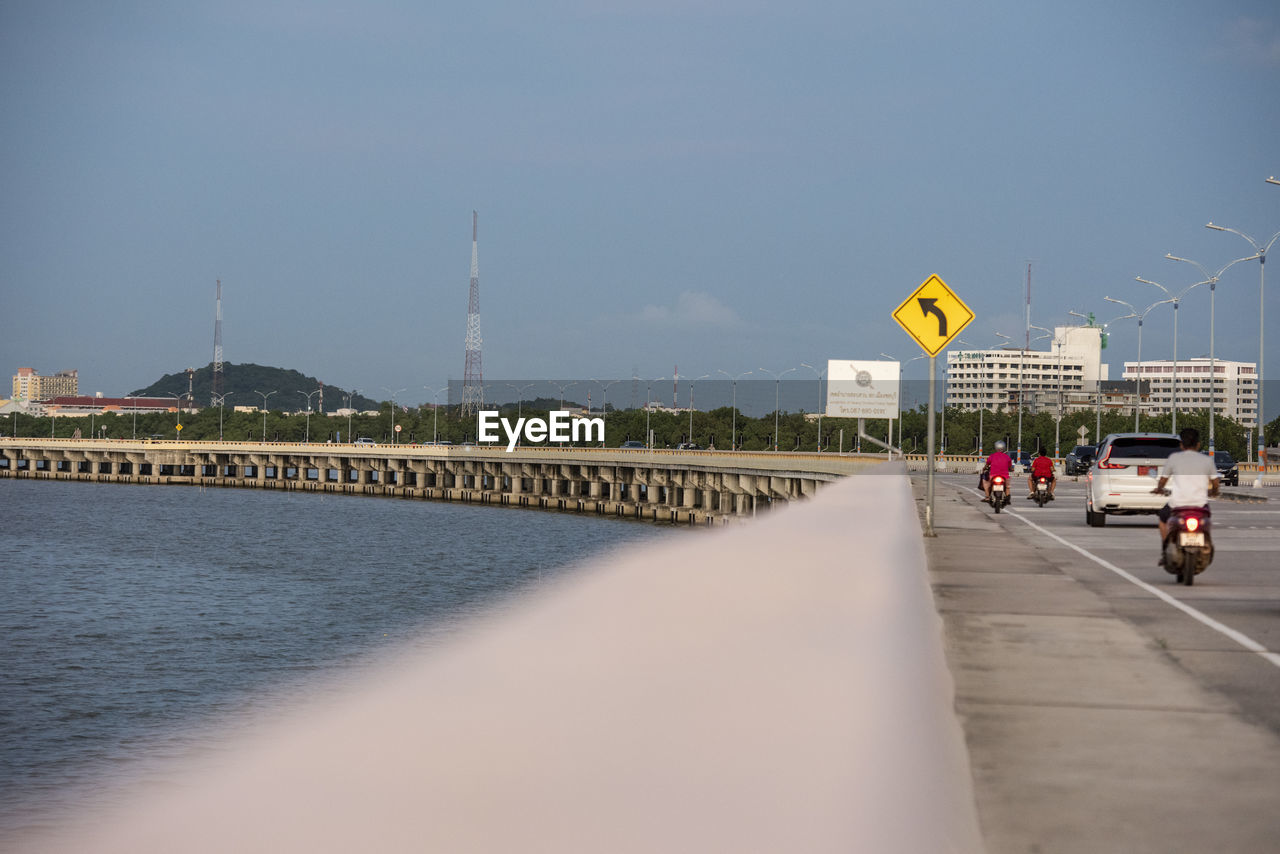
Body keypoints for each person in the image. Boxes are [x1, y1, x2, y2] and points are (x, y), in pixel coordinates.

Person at [1152, 427, 1220, 562]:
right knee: (1207, 521)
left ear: (1181, 444)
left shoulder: (1174, 458)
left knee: (1162, 519)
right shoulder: (1206, 460)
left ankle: (1165, 550)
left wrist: (1159, 488)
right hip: (1199, 504)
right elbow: (1215, 482)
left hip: (1178, 504)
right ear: (1198, 444)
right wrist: (1214, 492)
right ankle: (1207, 544)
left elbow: (1163, 480)